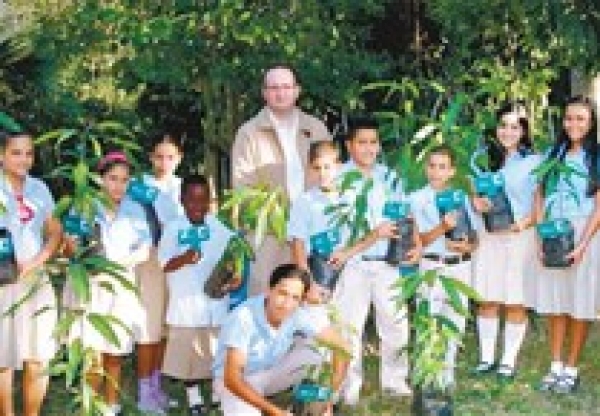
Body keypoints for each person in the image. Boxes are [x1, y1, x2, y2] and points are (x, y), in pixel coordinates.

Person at [331, 117, 421, 405]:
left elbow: (406, 214)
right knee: (349, 326)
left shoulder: (389, 177)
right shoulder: (338, 178)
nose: (369, 148)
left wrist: (414, 243)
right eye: (362, 143)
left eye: (373, 142)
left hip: (387, 261)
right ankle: (348, 383)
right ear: (349, 146)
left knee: (395, 323)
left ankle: (395, 380)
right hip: (353, 262)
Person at [231, 64, 331, 296]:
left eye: (286, 86)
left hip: (314, 231)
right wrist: (279, 221)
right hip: (269, 234)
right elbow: (243, 188)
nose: (280, 92)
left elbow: (331, 177)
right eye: (274, 87)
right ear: (265, 93)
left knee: (316, 301)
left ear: (297, 91)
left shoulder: (315, 128)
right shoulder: (249, 133)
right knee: (269, 299)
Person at [65, 151, 151, 415]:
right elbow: (70, 245)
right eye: (112, 178)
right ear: (100, 179)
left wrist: (117, 264)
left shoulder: (136, 209)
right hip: (89, 286)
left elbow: (145, 248)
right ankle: (91, 405)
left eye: (124, 180)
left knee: (115, 349)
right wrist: (79, 253)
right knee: (91, 349)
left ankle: (111, 405)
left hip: (120, 285)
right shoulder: (83, 206)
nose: (118, 185)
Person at [212, 264, 350, 416]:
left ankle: (309, 404)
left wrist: (329, 395)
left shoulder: (297, 313)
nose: (287, 304)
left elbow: (342, 347)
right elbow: (232, 380)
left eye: (295, 297)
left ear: (301, 300)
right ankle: (241, 403)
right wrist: (274, 411)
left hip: (271, 372)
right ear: (269, 290)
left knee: (314, 354)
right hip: (236, 382)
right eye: (282, 293)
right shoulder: (243, 318)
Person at [530, 96, 600, 393]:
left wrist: (584, 243)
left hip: (585, 234)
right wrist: (538, 237)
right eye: (569, 118)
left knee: (579, 302)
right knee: (555, 301)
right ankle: (555, 365)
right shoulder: (553, 155)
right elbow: (539, 195)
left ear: (592, 123)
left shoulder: (596, 157)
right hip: (552, 234)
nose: (574, 124)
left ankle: (571, 369)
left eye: (581, 119)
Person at [471, 103, 541, 379]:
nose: (508, 131)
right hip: (489, 237)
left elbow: (540, 202)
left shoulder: (534, 161)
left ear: (524, 130)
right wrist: (475, 202)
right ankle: (487, 358)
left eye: (515, 126)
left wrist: (522, 224)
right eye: (503, 125)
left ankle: (507, 360)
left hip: (518, 237)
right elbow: (473, 194)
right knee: (487, 297)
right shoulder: (483, 158)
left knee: (515, 299)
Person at [158, 174, 234, 415]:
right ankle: (193, 397)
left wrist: (233, 274)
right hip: (185, 303)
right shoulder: (174, 228)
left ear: (210, 202)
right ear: (182, 200)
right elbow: (163, 263)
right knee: (188, 354)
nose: (198, 206)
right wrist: (183, 259)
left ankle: (215, 392)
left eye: (204, 201)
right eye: (192, 200)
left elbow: (232, 250)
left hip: (214, 301)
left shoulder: (217, 226)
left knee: (213, 349)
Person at [0, 130, 62, 416]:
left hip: (37, 279)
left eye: (29, 153)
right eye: (16, 152)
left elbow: (54, 231)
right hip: (2, 281)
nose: (24, 159)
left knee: (39, 355)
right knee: (4, 357)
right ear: (1, 155)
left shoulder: (40, 188)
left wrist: (38, 260)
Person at [409, 144, 478, 387]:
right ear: (425, 168)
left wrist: (467, 247)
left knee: (455, 318)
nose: (436, 172)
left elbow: (474, 238)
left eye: (442, 167)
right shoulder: (416, 199)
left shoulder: (461, 199)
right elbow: (419, 241)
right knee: (428, 317)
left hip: (459, 266)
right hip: (431, 266)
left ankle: (447, 370)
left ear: (451, 171)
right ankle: (427, 370)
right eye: (432, 166)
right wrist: (442, 229)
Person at [134, 132, 183, 412]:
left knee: (165, 328)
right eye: (159, 157)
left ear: (179, 159)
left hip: (177, 263)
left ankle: (156, 386)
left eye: (170, 157)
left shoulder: (181, 186)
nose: (164, 162)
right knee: (149, 327)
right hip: (151, 260)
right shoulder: (140, 187)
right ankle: (144, 393)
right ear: (151, 158)